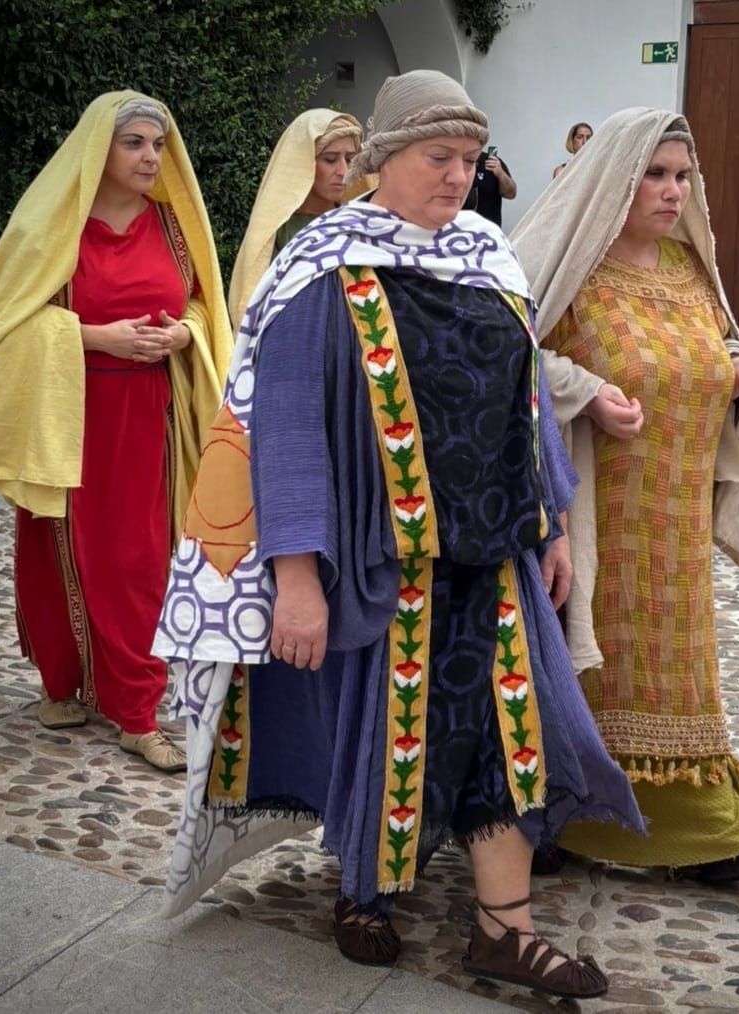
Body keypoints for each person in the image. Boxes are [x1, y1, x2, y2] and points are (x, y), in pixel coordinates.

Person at [152, 70, 642, 1000]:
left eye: (468, 160)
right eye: (436, 158)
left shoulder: (492, 259)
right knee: (386, 731)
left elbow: (526, 399)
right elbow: (286, 424)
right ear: (382, 161)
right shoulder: (321, 265)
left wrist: (551, 520)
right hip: (381, 560)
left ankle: (507, 929)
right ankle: (363, 887)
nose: (458, 178)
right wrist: (295, 574)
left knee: (507, 733)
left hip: (493, 551)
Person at [511, 108, 739, 884]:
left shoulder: (689, 273)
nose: (672, 190)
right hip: (592, 520)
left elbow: (714, 350)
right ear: (616, 177)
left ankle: (707, 831)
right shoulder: (571, 269)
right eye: (655, 173)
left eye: (682, 175)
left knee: (678, 675)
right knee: (585, 666)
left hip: (674, 527)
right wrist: (584, 390)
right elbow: (506, 352)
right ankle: (554, 818)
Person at [0, 92, 233, 773]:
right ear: (97, 150)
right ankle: (62, 682)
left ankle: (136, 712)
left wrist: (183, 332)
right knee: (57, 549)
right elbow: (8, 325)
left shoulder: (173, 225)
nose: (149, 157)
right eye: (133, 143)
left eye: (157, 146)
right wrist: (94, 336)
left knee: (136, 560)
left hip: (149, 416)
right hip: (67, 414)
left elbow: (203, 302)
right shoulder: (53, 229)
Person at [227, 110, 363, 325]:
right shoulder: (274, 232)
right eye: (330, 159)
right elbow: (256, 304)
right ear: (304, 164)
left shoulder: (359, 222)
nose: (343, 170)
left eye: (350, 159)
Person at [464, 145, 516, 226]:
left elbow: (511, 194)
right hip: (462, 230)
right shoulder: (454, 164)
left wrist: (501, 174)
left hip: (489, 230)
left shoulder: (490, 162)